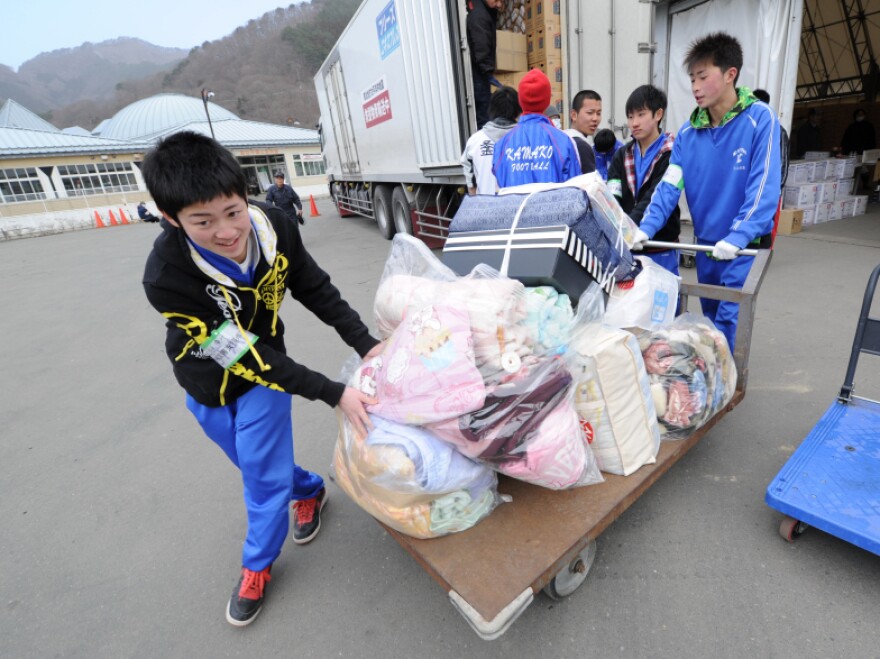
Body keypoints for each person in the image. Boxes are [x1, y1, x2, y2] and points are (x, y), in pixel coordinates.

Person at [141, 132, 383, 627]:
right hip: (206, 385)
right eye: (202, 222)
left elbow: (315, 288)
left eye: (232, 211)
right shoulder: (166, 275)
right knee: (255, 467)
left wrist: (366, 344)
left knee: (262, 479)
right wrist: (336, 392)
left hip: (266, 379)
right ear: (171, 219)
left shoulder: (273, 226)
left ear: (244, 194)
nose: (227, 232)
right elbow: (239, 354)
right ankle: (309, 489)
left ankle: (256, 566)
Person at [632, 32, 781, 352]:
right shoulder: (688, 132)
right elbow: (669, 186)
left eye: (703, 76)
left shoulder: (759, 119)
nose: (695, 86)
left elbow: (764, 186)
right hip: (707, 242)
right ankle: (714, 381)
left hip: (745, 246)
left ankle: (719, 392)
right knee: (711, 316)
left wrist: (740, 236)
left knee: (730, 319)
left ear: (730, 74)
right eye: (692, 78)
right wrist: (645, 227)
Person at [607, 84, 680, 275]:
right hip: (627, 247)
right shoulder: (622, 154)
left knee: (663, 300)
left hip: (660, 246)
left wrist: (628, 229)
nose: (634, 123)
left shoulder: (671, 154)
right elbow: (612, 196)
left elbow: (653, 196)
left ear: (658, 114)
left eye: (641, 114)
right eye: (630, 117)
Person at [491, 69, 581, 188]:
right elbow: (575, 189)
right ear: (547, 99)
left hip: (516, 206)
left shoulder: (502, 144)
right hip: (554, 206)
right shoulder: (562, 140)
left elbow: (500, 186)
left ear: (521, 101)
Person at [460, 86, 521, 195]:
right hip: (519, 208)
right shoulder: (524, 138)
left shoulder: (474, 141)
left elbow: (471, 185)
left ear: (491, 109)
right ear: (518, 110)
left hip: (486, 207)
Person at [466, 0, 502, 129]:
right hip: (479, 74)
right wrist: (488, 71)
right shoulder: (479, 16)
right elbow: (480, 47)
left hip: (481, 73)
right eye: (497, 0)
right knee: (484, 117)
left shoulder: (483, 10)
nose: (499, 5)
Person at [565, 89, 601, 174]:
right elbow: (589, 184)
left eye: (598, 113)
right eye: (590, 113)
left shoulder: (563, 138)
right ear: (574, 115)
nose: (595, 118)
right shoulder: (581, 145)